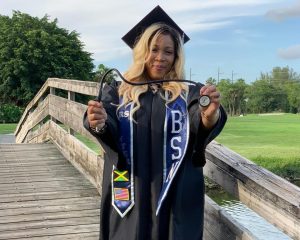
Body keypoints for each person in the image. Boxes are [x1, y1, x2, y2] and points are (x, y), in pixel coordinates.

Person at [84, 5, 227, 240]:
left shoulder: (189, 93)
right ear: (142, 51)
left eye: (168, 51)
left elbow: (198, 119)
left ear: (176, 56)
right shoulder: (117, 92)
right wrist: (97, 121)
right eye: (154, 49)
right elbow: (105, 122)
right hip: (130, 188)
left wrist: (209, 115)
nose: (160, 57)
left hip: (176, 192)